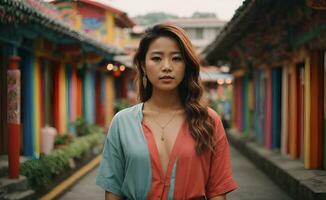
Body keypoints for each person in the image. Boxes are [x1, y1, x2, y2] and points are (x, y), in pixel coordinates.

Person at [96, 24, 237, 200]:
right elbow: (113, 192)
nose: (167, 67)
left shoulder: (208, 121)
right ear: (143, 65)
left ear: (186, 65)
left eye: (176, 58)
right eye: (156, 58)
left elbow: (217, 192)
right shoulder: (122, 122)